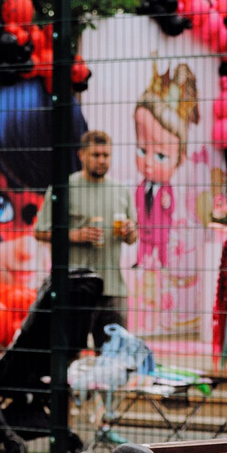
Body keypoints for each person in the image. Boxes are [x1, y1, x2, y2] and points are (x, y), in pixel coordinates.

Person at [31, 125, 137, 353]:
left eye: (106, 155)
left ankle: (109, 391)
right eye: (96, 155)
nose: (102, 161)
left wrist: (130, 231)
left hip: (112, 289)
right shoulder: (64, 188)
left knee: (115, 358)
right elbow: (40, 231)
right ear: (81, 155)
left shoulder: (121, 190)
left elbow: (133, 237)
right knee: (69, 354)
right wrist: (74, 235)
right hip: (75, 289)